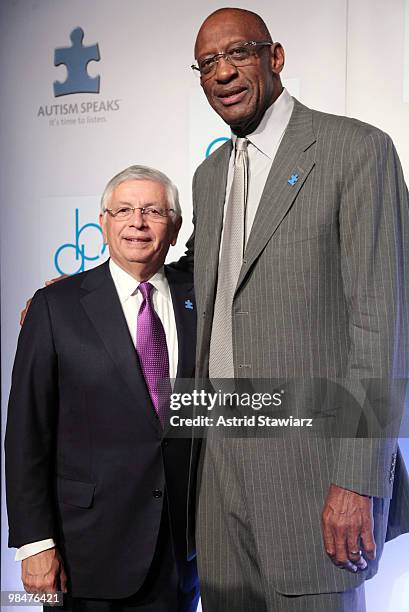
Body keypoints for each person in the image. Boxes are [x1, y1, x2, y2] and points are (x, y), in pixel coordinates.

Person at [183, 7, 409, 611]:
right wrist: (80, 290)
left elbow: (381, 325)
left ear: (274, 56)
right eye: (208, 63)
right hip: (219, 459)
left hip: (313, 471)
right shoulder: (209, 175)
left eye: (238, 54)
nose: (223, 72)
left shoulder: (357, 150)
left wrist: (358, 478)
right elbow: (203, 276)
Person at [5, 165, 200, 612]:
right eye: (124, 210)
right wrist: (35, 544)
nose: (137, 222)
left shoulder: (198, 299)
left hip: (179, 560)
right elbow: (26, 434)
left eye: (153, 211)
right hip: (85, 555)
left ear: (174, 229)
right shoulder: (56, 307)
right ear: (104, 223)